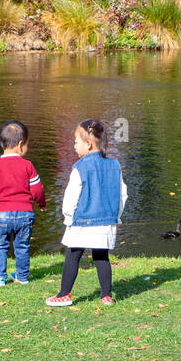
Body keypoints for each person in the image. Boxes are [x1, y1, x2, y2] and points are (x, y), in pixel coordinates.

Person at [46, 119, 126, 307]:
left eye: (76, 141)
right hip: (107, 220)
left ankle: (64, 294)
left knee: (73, 255)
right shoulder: (115, 165)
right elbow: (122, 194)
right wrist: (117, 216)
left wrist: (68, 217)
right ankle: (106, 295)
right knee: (101, 257)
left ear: (88, 143)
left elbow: (71, 196)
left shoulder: (80, 167)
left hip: (82, 220)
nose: (74, 145)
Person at [0, 120, 46, 287]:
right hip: (25, 213)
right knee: (22, 246)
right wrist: (41, 203)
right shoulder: (28, 165)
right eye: (27, 145)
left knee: (0, 245)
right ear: (19, 144)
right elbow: (37, 189)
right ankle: (22, 277)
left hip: (1, 214)